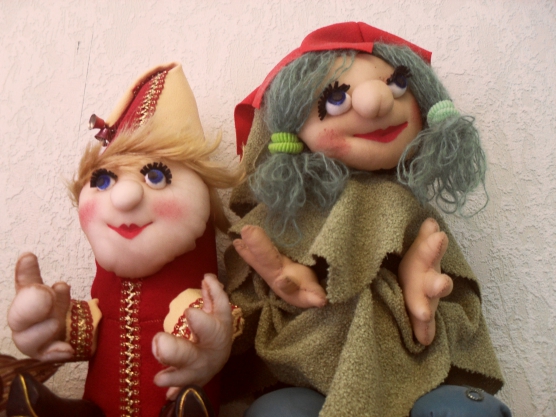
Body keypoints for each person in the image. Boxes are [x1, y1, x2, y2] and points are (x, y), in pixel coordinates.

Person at [222, 22, 511, 417]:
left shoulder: (411, 207)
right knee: (280, 412)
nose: (377, 102)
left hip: (413, 371)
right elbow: (244, 307)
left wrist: (421, 295)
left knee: (468, 412)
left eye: (397, 84)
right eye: (336, 98)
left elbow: (460, 299)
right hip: (311, 378)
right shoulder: (291, 214)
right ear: (292, 130)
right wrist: (282, 284)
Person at [7, 63, 244, 417]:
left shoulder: (195, 293)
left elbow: (215, 322)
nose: (124, 196)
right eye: (103, 180)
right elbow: (91, 330)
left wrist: (214, 344)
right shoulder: (106, 286)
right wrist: (53, 325)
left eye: (156, 176)